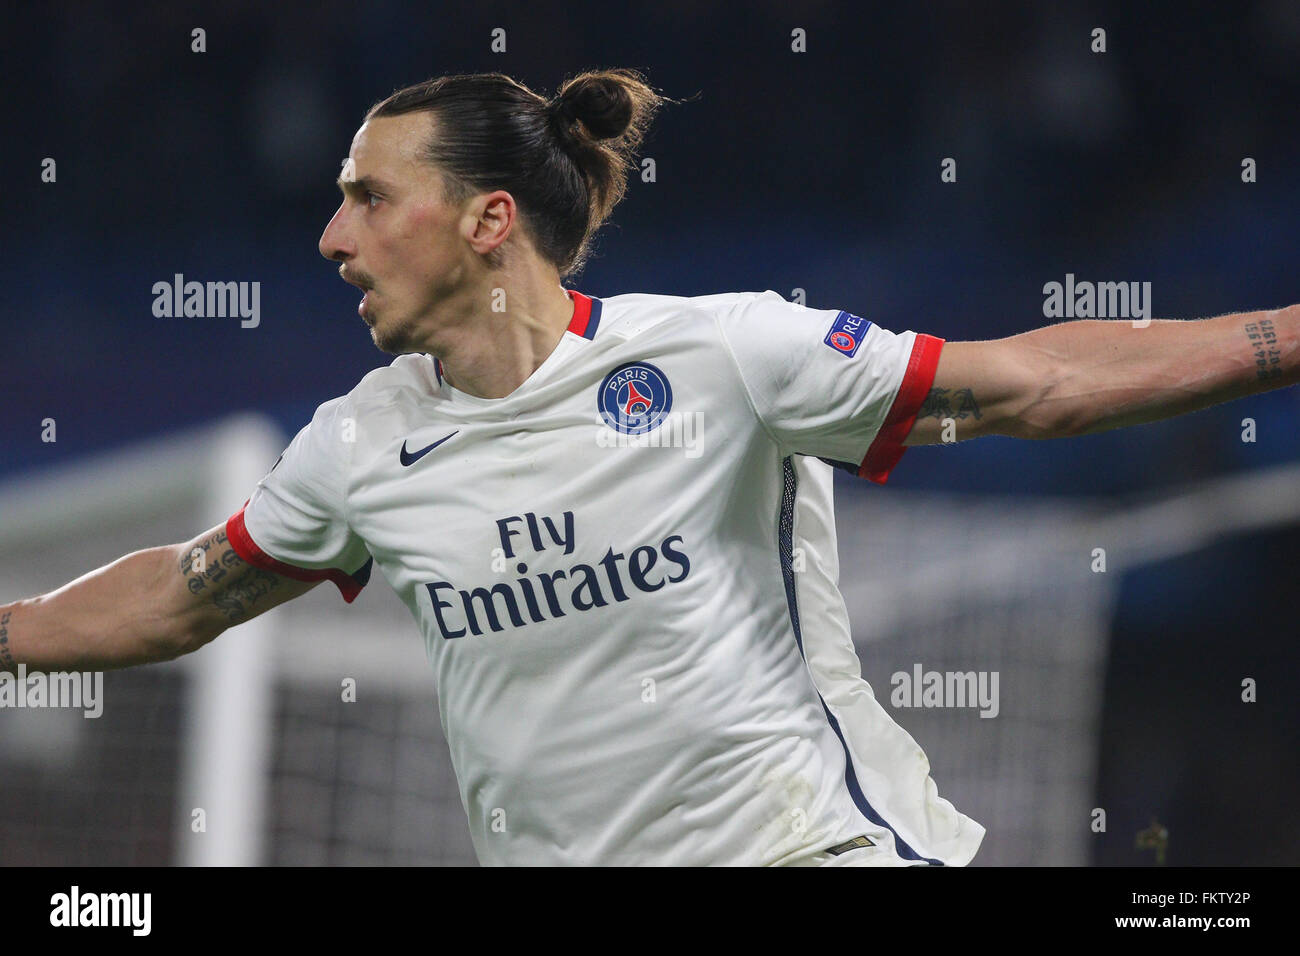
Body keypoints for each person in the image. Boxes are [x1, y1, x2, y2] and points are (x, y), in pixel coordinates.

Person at [3, 69, 1295, 866]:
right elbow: (185, 590)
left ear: (486, 219)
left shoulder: (724, 355)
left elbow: (1037, 385)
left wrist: (1283, 337)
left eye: (368, 196)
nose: (334, 236)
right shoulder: (357, 445)